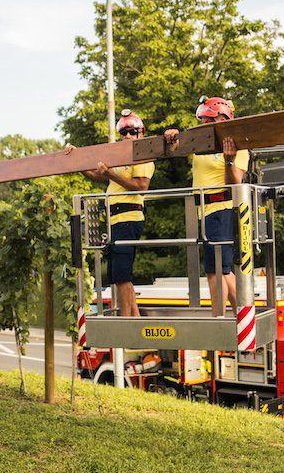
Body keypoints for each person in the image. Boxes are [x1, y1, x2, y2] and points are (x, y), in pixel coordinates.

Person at [164, 97, 248, 317]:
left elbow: (235, 182)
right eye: (201, 120)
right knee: (220, 269)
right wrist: (171, 137)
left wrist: (229, 160)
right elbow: (174, 149)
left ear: (222, 119)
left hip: (222, 208)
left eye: (207, 120)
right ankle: (244, 315)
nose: (202, 125)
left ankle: (219, 317)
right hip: (203, 210)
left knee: (217, 270)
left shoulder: (238, 144)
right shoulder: (200, 143)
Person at [73, 109, 154, 317]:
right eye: (124, 132)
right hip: (115, 219)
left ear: (141, 133)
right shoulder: (119, 157)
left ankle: (127, 318)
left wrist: (111, 174)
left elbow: (141, 186)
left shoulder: (142, 156)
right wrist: (77, 159)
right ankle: (134, 315)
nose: (127, 136)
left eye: (132, 132)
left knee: (121, 274)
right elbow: (96, 175)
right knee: (117, 273)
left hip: (129, 217)